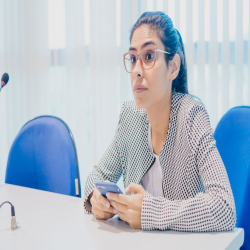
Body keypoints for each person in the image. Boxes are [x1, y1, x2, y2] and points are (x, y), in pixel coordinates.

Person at [83, 11, 236, 231]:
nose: (136, 70)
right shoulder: (130, 118)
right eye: (133, 58)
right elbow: (96, 176)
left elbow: (224, 209)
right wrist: (95, 198)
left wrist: (149, 213)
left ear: (173, 67)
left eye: (149, 56)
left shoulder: (191, 115)